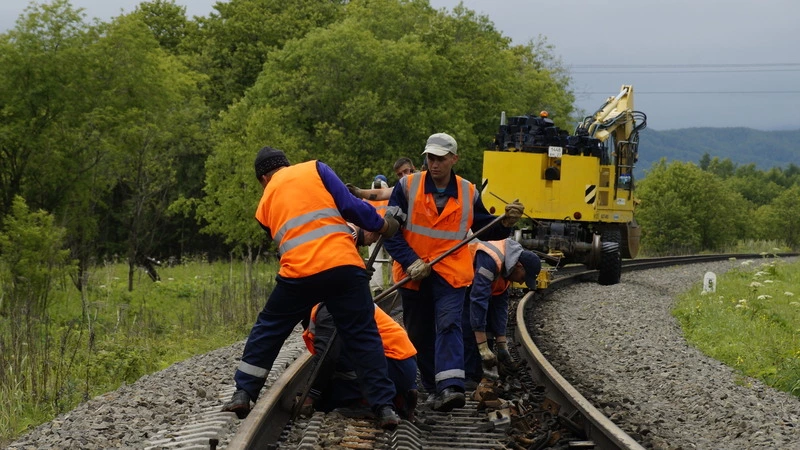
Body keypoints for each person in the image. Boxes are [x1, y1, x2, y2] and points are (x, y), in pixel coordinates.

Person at [221, 146, 403, 430]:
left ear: (263, 179)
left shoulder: (264, 204)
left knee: (269, 327)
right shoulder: (315, 169)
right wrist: (381, 225)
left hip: (298, 273)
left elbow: (284, 239)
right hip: (343, 267)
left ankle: (244, 392)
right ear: (287, 165)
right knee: (363, 336)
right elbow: (351, 207)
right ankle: (384, 408)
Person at [383, 132, 524, 412]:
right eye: (430, 158)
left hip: (450, 271)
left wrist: (506, 221)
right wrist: (411, 261)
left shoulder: (468, 191)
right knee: (419, 333)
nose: (434, 164)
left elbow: (487, 227)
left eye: (440, 159)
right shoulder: (407, 187)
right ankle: (434, 389)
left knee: (449, 324)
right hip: (414, 272)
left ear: (453, 159)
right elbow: (390, 233)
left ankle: (451, 388)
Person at [301, 302, 418, 420]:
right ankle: (399, 395)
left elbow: (327, 356)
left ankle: (365, 402)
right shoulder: (344, 297)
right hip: (401, 363)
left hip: (391, 366)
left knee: (328, 399)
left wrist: (311, 394)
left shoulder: (328, 309)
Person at [462, 238, 541, 385]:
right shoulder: (492, 259)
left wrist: (501, 344)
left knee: (488, 324)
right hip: (460, 281)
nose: (522, 282)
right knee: (468, 326)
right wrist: (482, 346)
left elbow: (500, 307)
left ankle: (482, 374)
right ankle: (467, 376)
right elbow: (478, 300)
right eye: (523, 277)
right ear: (519, 266)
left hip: (475, 285)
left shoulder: (508, 268)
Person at [366, 175, 391, 295]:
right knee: (393, 259)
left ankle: (377, 289)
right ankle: (394, 285)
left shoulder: (367, 196)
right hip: (389, 229)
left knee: (375, 260)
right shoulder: (391, 194)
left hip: (372, 231)